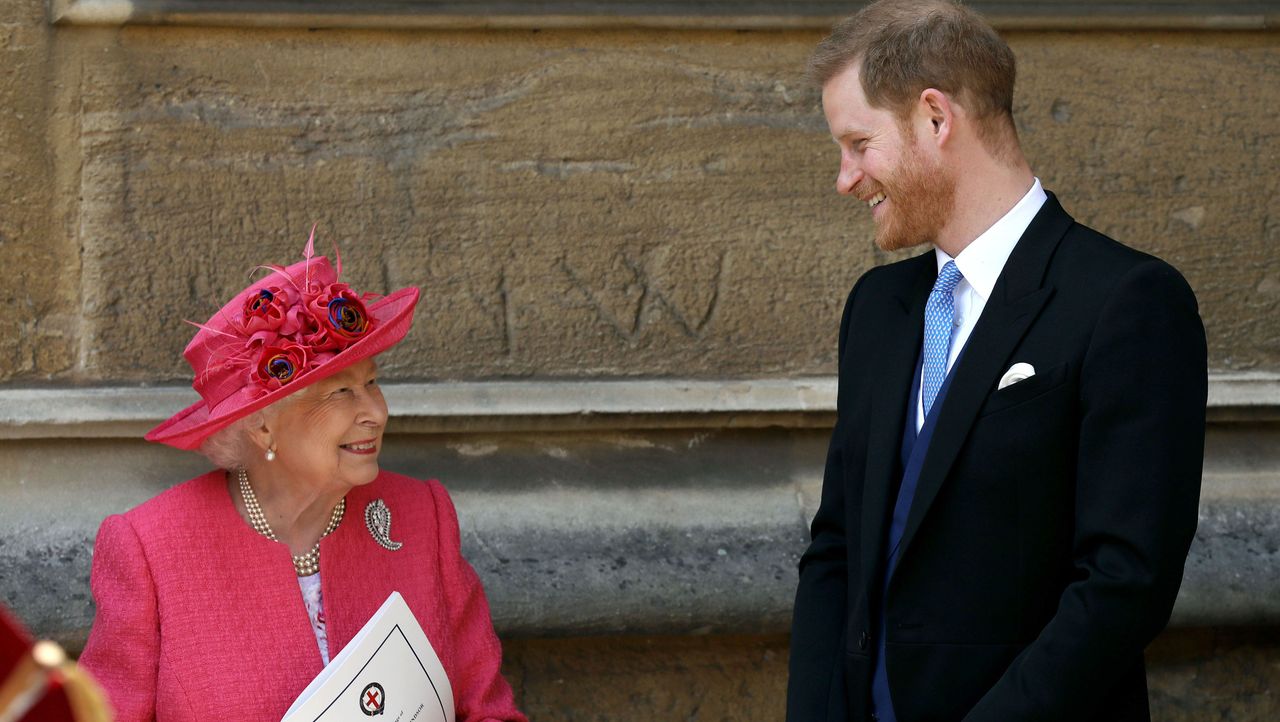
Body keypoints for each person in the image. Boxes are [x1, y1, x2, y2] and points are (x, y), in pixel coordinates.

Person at [786, 2, 1207, 721]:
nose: (845, 178)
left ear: (935, 119)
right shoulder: (879, 309)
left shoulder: (1127, 301)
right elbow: (837, 551)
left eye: (858, 143)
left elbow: (1123, 583)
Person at [79, 234, 526, 722]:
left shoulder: (422, 516)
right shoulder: (151, 549)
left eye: (371, 382)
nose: (375, 412)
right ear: (263, 423)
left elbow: (490, 711)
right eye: (340, 392)